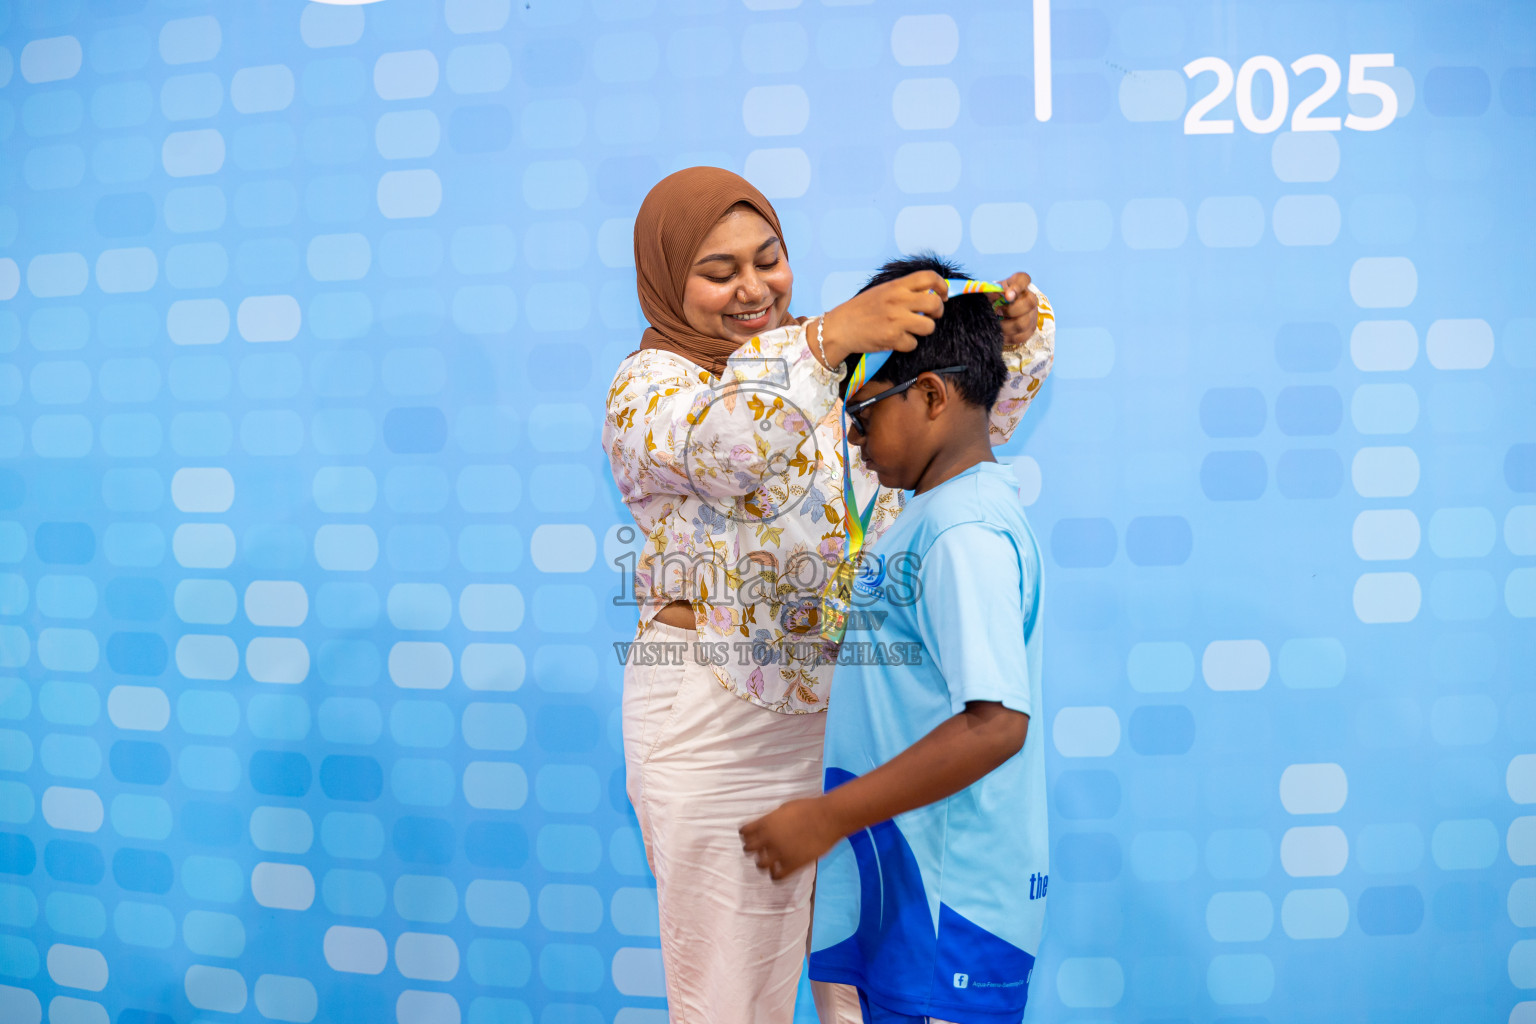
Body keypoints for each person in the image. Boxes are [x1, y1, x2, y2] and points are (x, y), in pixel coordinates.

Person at [602, 168, 1055, 1024]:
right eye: (718, 270)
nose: (753, 289)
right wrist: (824, 342)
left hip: (854, 713)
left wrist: (1008, 333)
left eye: (768, 260)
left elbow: (955, 419)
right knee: (734, 999)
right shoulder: (652, 388)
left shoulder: (828, 361)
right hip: (719, 716)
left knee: (864, 982)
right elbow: (723, 452)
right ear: (668, 279)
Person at [740, 255, 1050, 1024]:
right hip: (896, 902)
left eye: (866, 412)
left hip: (947, 920)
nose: (853, 437)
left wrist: (825, 818)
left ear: (933, 396)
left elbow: (996, 724)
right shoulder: (927, 518)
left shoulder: (962, 532)